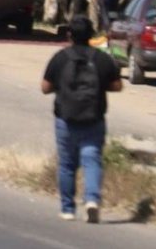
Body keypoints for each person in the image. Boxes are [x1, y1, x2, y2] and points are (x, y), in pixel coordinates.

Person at [41, 15, 124, 223]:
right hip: (94, 117)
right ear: (91, 35)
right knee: (92, 159)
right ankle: (92, 200)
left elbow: (45, 87)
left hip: (65, 118)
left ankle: (68, 208)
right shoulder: (102, 59)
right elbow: (117, 86)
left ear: (69, 34)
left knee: (67, 164)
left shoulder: (60, 58)